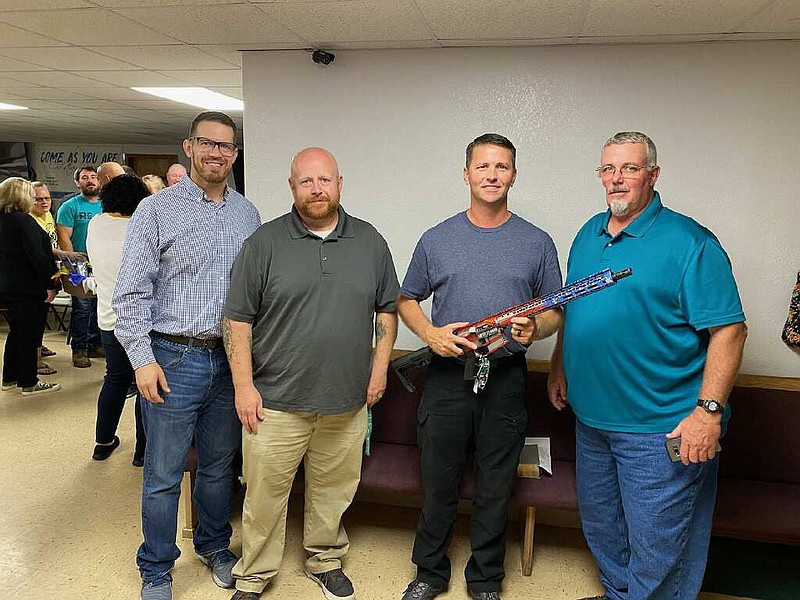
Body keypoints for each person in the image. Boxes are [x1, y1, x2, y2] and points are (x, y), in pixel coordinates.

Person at [547, 132, 748, 600]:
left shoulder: (690, 243)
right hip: (592, 420)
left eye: (630, 169)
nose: (617, 180)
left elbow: (730, 331)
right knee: (606, 531)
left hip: (662, 429)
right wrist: (560, 364)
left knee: (660, 547)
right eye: (608, 169)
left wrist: (708, 413)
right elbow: (574, 309)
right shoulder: (587, 233)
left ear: (653, 175)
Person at [223, 147, 399, 600]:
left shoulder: (370, 242)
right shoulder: (263, 243)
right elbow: (236, 320)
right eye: (306, 181)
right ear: (292, 187)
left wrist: (379, 370)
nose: (316, 189)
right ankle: (254, 574)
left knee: (334, 490)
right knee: (262, 499)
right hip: (274, 402)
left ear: (340, 182)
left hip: (346, 400)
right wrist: (244, 386)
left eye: (324, 180)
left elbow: (387, 311)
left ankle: (324, 558)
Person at [397, 134, 562, 600]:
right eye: (483, 166)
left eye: (502, 167)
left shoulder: (537, 242)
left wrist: (537, 329)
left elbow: (554, 310)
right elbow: (406, 299)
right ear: (466, 173)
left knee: (496, 486)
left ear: (514, 174)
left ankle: (486, 578)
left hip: (506, 380)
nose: (492, 176)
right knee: (438, 482)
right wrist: (430, 334)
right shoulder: (437, 238)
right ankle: (429, 573)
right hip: (447, 379)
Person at [113, 111, 261, 600]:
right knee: (163, 473)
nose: (217, 153)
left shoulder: (247, 214)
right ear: (189, 147)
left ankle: (215, 546)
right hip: (172, 357)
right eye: (208, 143)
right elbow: (130, 293)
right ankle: (156, 568)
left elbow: (256, 294)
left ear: (234, 154)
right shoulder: (157, 211)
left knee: (220, 465)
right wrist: (141, 359)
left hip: (231, 361)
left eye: (226, 146)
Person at [86, 174, 149, 464]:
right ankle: (142, 451)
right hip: (141, 320)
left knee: (115, 379)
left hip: (108, 318)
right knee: (146, 383)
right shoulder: (140, 227)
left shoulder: (95, 225)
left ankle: (103, 442)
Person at [0, 177, 61, 397]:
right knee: (28, 335)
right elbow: (39, 257)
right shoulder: (24, 222)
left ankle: (10, 377)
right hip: (28, 287)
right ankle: (28, 381)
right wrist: (51, 283)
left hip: (8, 285)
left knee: (16, 332)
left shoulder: (3, 220)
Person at [56, 165, 103, 368]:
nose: (90, 180)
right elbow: (64, 237)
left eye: (94, 177)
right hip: (78, 267)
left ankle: (94, 344)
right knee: (82, 308)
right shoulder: (70, 206)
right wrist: (73, 263)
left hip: (101, 265)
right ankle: (79, 350)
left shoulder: (106, 205)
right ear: (78, 182)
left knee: (98, 307)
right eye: (85, 177)